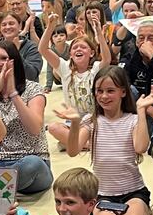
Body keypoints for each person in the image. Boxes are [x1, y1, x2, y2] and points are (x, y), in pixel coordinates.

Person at [58, 66, 153, 215]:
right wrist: (74, 124)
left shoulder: (132, 120)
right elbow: (73, 151)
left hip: (133, 191)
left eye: (110, 91)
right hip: (103, 194)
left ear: (123, 92)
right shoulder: (92, 120)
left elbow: (140, 147)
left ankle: (139, 213)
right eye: (99, 91)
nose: (103, 96)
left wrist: (141, 111)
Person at [0, 41, 53, 196]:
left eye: (3, 58)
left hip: (30, 161)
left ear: (14, 61)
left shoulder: (33, 88)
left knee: (31, 165)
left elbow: (34, 129)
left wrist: (13, 93)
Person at [40, 12, 109, 147]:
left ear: (92, 53)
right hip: (73, 121)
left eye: (83, 47)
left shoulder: (95, 68)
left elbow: (107, 59)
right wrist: (50, 27)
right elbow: (43, 49)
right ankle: (86, 144)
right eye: (75, 48)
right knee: (54, 127)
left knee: (103, 128)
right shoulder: (65, 68)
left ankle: (76, 144)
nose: (78, 49)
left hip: (94, 120)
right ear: (70, 54)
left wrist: (99, 33)